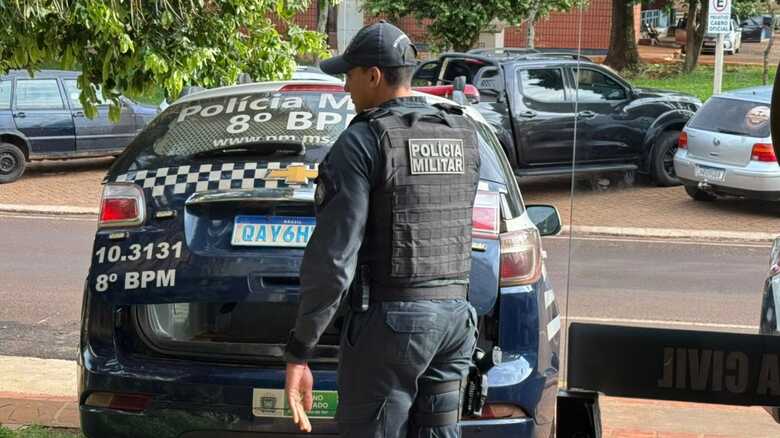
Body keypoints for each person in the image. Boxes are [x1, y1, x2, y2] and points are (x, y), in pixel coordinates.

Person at [283, 21, 481, 437]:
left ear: (373, 76)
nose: (345, 87)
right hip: (456, 321)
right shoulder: (462, 132)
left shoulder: (362, 141)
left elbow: (333, 263)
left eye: (349, 76)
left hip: (392, 329)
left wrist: (300, 350)